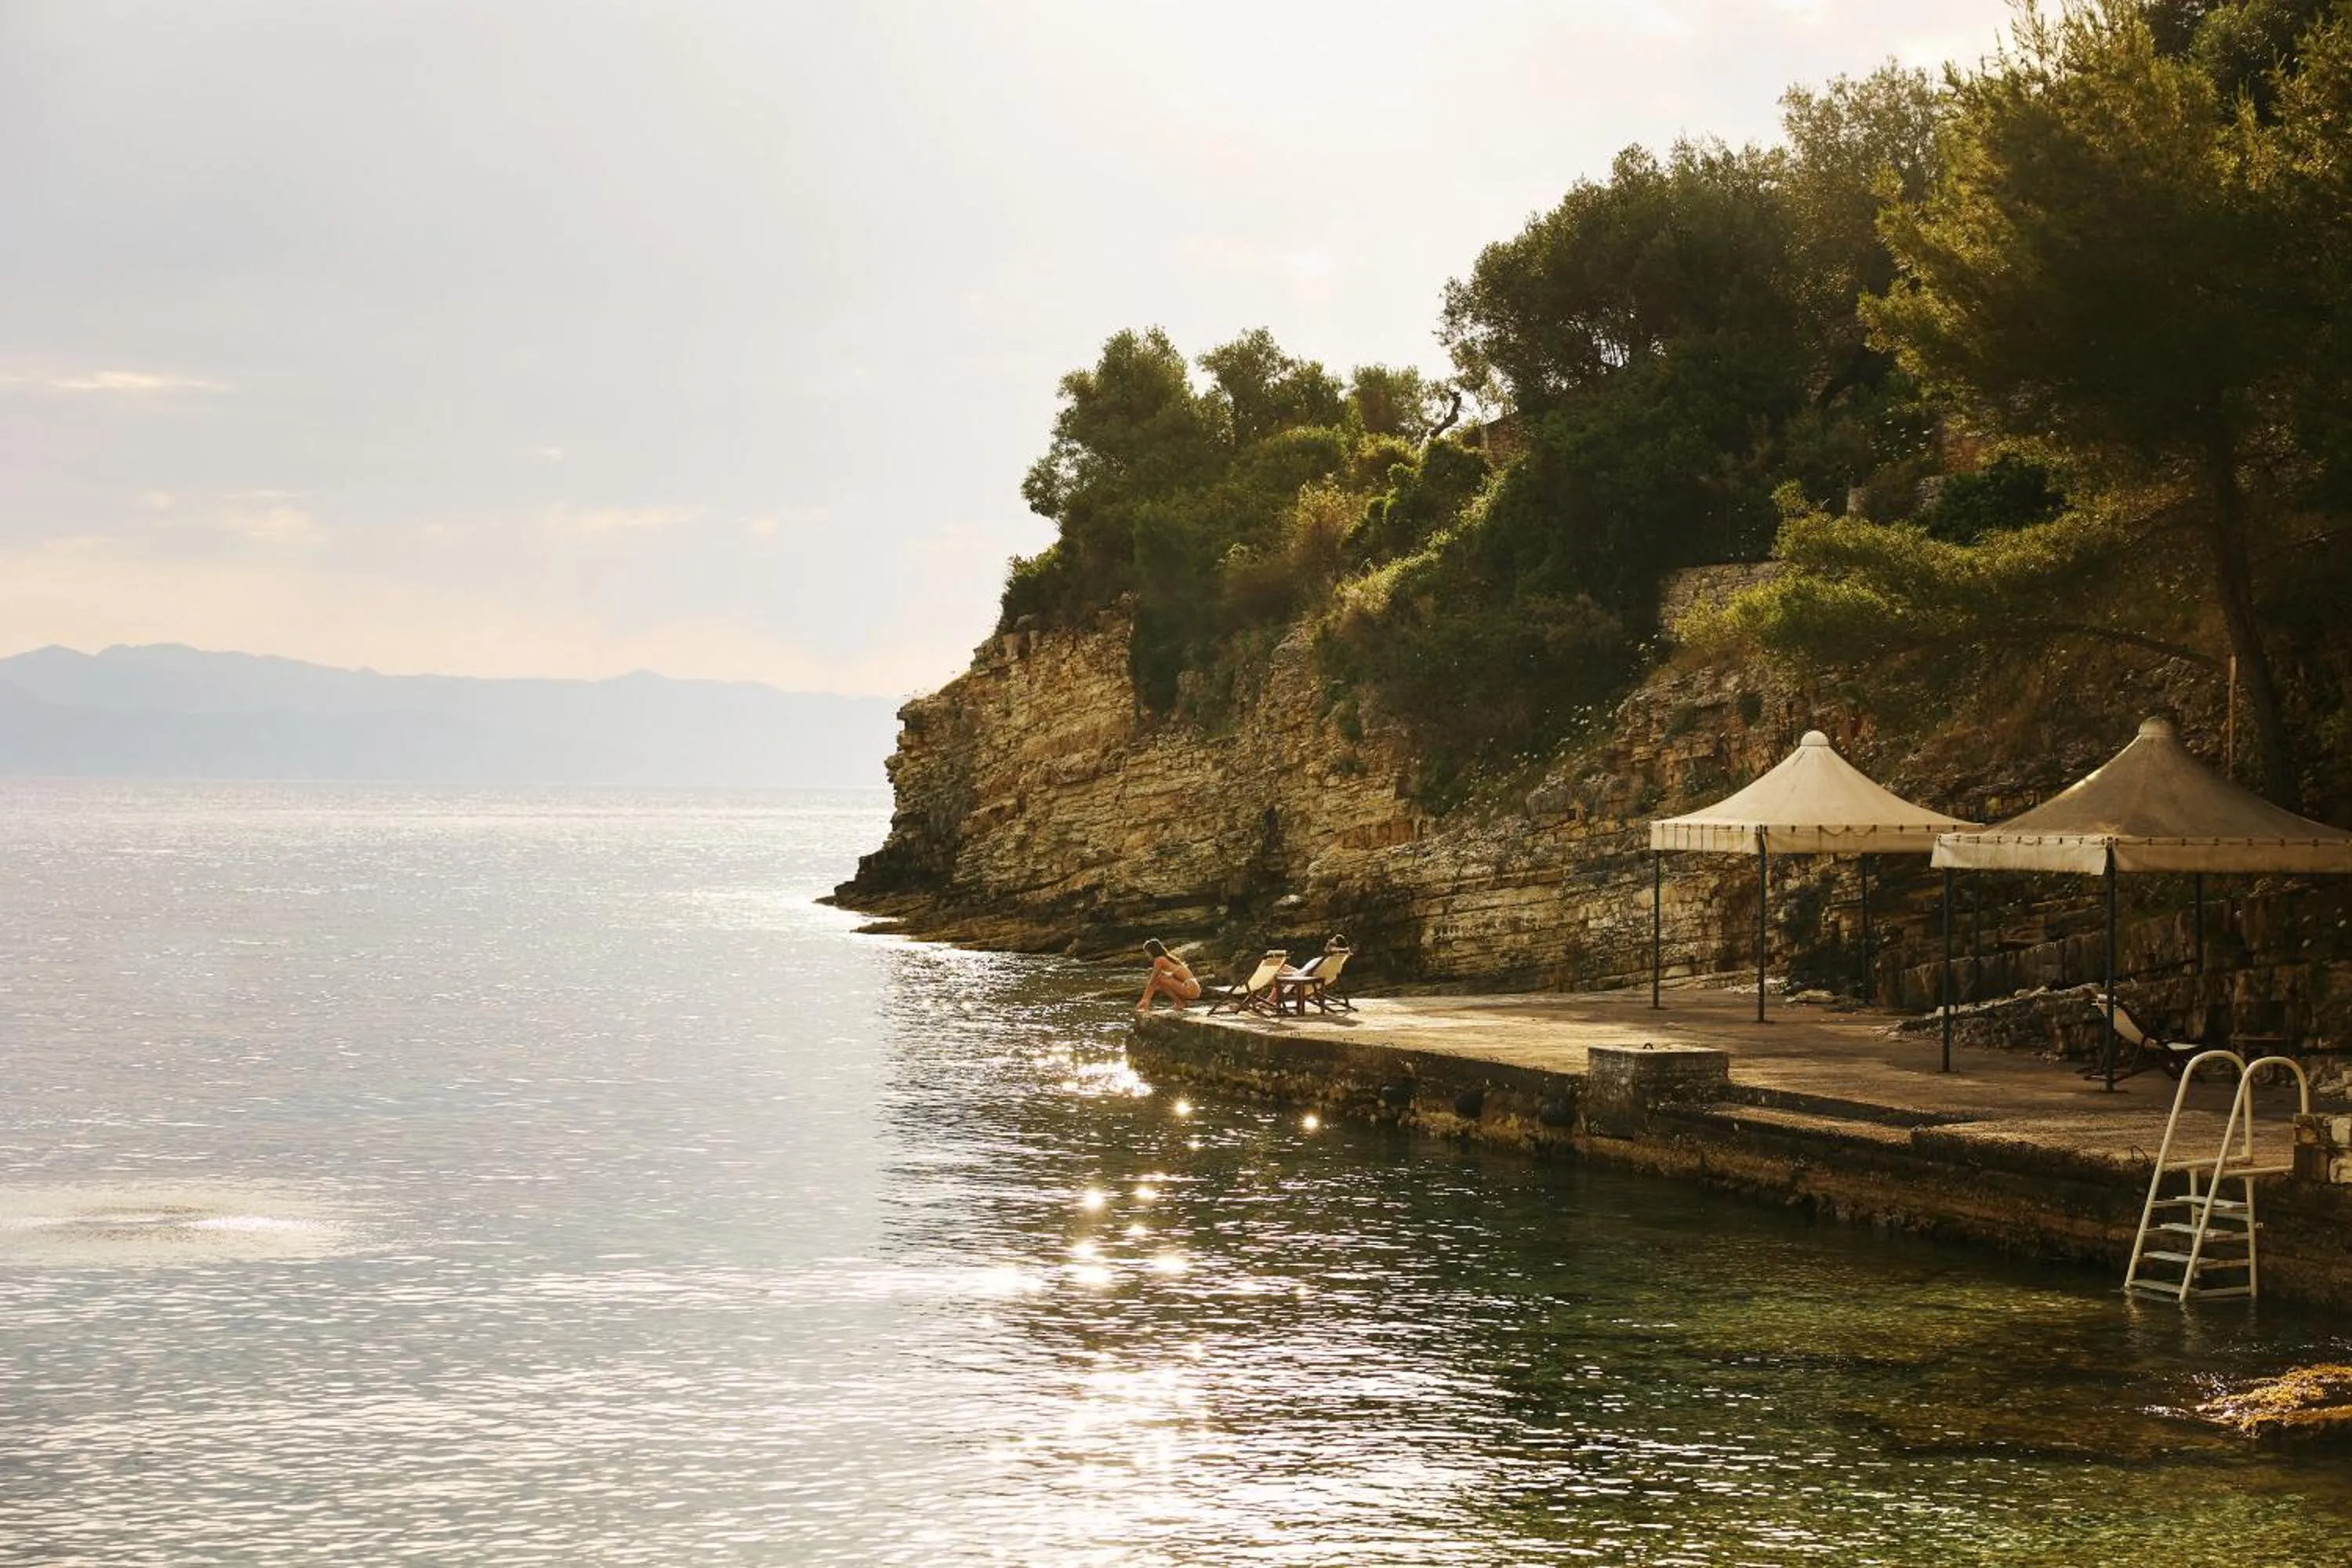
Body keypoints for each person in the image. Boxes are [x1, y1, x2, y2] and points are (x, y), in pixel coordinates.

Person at [1136, 938, 1201, 1012]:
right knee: (1162, 978)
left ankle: (1179, 1003)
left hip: (1190, 988)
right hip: (1194, 988)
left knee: (1160, 979)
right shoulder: (1167, 959)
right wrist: (1146, 999)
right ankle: (1181, 1003)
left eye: (1147, 952)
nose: (1147, 955)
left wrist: (1145, 1000)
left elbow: (1152, 981)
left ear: (1152, 951)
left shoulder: (1160, 960)